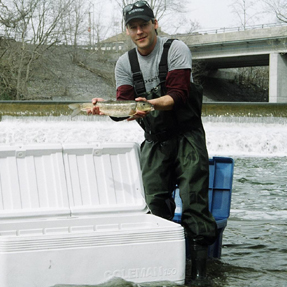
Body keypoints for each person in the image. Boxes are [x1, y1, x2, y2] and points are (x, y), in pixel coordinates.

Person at [89, 1, 217, 285]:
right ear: (127, 31)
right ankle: (164, 268)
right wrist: (105, 109)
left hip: (187, 138)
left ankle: (198, 276)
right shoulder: (124, 63)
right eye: (133, 27)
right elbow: (123, 108)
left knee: (195, 203)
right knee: (153, 203)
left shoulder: (175, 49)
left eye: (143, 25)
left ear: (154, 23)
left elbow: (180, 94)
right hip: (154, 141)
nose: (139, 31)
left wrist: (148, 104)